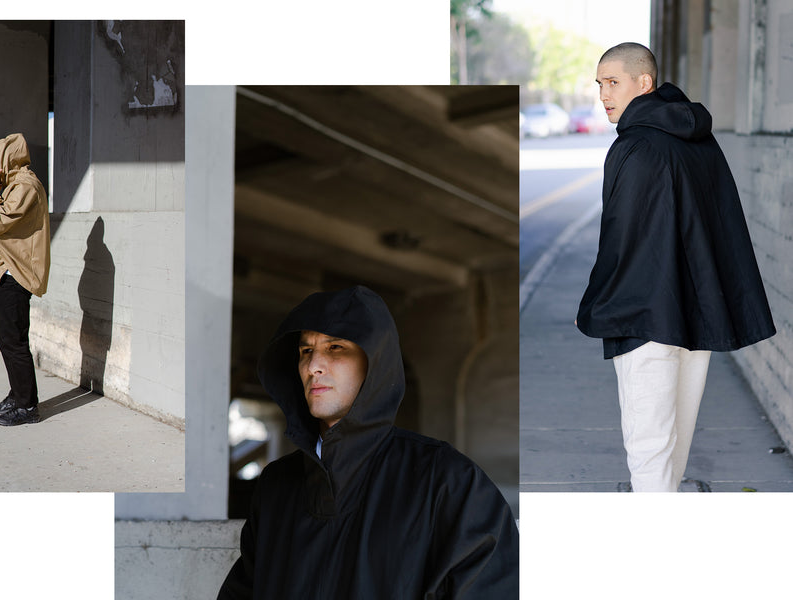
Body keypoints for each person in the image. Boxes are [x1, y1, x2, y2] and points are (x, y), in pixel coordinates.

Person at [218, 285, 518, 598]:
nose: (312, 366)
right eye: (306, 351)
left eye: (335, 348)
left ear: (373, 362)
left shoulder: (445, 480)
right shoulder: (276, 485)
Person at [576, 43, 775, 492]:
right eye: (599, 84)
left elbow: (620, 238)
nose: (604, 94)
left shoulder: (633, 147)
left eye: (613, 82)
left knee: (648, 453)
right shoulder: (699, 141)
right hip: (694, 316)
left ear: (643, 83)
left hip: (645, 316)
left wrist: (595, 304)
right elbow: (721, 223)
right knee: (672, 451)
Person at [0, 133, 51, 426]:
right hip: (10, 269)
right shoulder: (15, 184)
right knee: (8, 338)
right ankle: (18, 394)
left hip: (19, 272)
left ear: (7, 159)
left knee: (13, 340)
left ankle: (27, 406)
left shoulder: (25, 186)